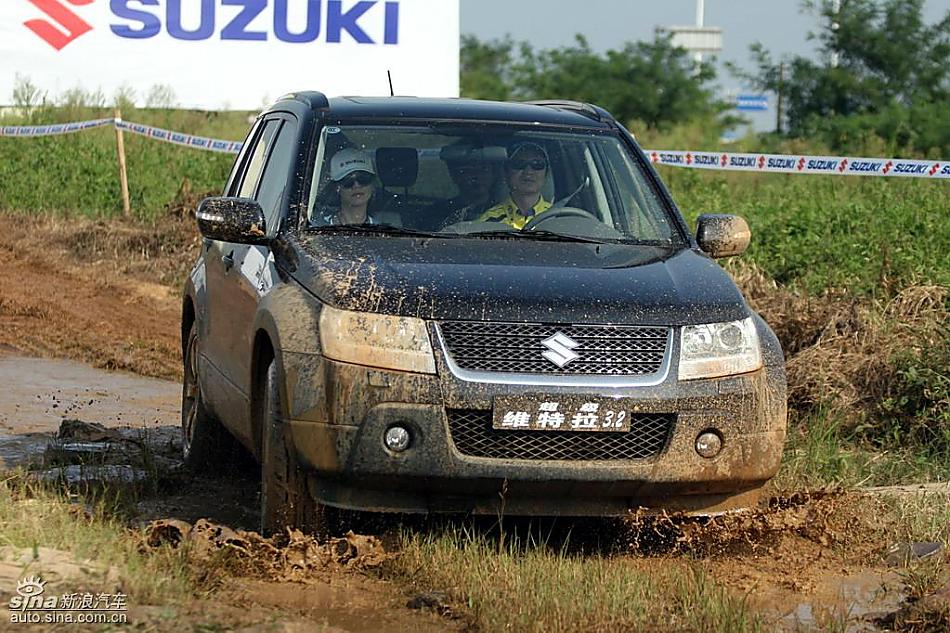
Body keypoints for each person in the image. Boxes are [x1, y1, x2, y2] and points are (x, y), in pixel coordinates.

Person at [314, 148, 400, 226]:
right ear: (337, 188)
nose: (356, 186)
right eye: (348, 181)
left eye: (363, 179)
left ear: (372, 185)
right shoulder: (316, 229)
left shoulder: (387, 232)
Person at [476, 141, 552, 229]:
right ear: (506, 172)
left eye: (537, 164)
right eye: (519, 164)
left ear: (546, 173)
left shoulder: (557, 218)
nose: (528, 172)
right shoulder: (488, 221)